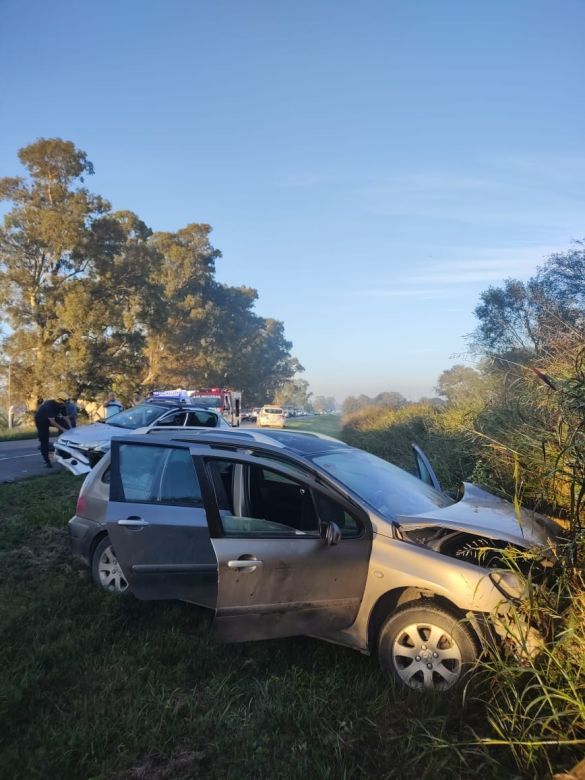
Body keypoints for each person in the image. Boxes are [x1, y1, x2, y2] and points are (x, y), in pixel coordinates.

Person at [35, 397, 70, 468]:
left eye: (67, 401)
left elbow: (66, 418)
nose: (67, 403)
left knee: (64, 423)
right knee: (44, 439)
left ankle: (63, 442)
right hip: (41, 420)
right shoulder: (49, 404)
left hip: (50, 419)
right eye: (65, 401)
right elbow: (52, 421)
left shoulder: (63, 406)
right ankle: (47, 461)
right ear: (59, 401)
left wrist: (71, 428)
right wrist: (62, 429)